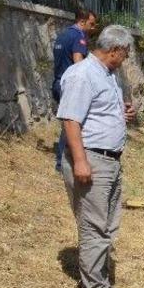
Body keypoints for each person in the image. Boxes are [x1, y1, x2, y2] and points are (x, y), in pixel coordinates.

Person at [57, 24, 136, 288]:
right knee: (94, 224)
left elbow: (97, 113)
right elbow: (70, 120)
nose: (126, 59)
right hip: (92, 159)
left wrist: (123, 113)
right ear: (115, 50)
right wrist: (80, 161)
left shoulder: (108, 75)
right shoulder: (82, 74)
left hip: (110, 161)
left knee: (108, 224)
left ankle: (99, 281)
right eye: (126, 53)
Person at [52, 9, 98, 171]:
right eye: (91, 24)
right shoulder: (79, 37)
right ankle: (63, 163)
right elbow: (79, 63)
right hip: (71, 86)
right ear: (82, 21)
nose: (93, 28)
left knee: (69, 122)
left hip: (58, 82)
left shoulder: (62, 35)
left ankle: (65, 160)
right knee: (73, 124)